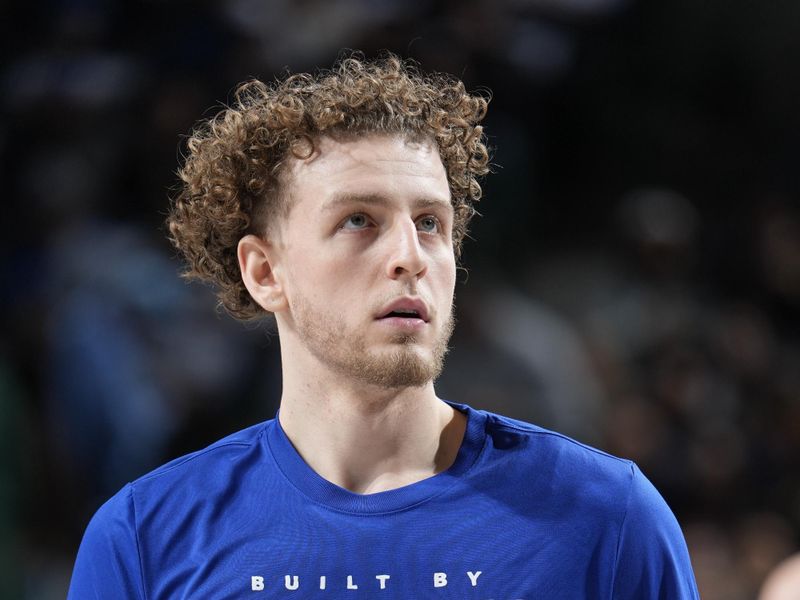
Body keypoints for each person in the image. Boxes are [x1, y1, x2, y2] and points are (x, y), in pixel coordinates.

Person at [68, 52, 699, 599]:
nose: (410, 256)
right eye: (358, 220)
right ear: (265, 271)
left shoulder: (609, 519)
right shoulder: (146, 540)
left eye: (430, 222)